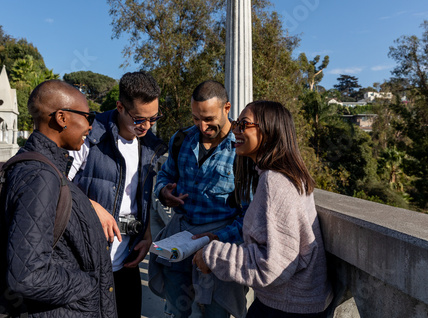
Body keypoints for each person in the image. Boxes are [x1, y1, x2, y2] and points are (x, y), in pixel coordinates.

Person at [193, 100, 334, 318]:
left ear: (269, 130)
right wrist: (217, 238)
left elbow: (272, 265)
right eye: (236, 123)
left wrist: (212, 255)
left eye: (243, 124)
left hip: (286, 307)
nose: (235, 130)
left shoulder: (275, 181)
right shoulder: (283, 176)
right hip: (292, 302)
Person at [4, 80, 117, 317]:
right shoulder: (41, 175)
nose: (89, 127)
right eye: (88, 117)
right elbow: (27, 274)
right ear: (62, 118)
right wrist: (89, 286)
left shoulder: (48, 167)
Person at [68, 71, 167, 318]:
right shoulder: (88, 135)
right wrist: (91, 206)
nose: (147, 126)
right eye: (139, 119)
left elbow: (139, 198)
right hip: (84, 263)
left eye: (153, 118)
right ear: (120, 106)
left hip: (126, 260)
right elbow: (53, 184)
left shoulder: (149, 145)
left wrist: (145, 233)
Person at [149, 80, 248, 318]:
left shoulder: (243, 148)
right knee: (176, 308)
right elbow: (164, 175)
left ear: (227, 108)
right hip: (179, 244)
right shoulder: (181, 139)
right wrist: (164, 192)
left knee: (215, 312)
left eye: (209, 119)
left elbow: (251, 214)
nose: (202, 127)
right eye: (196, 118)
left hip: (219, 247)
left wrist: (216, 238)